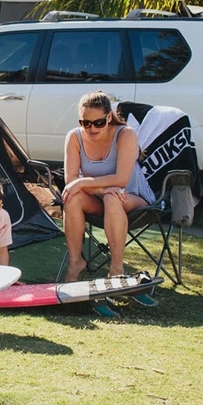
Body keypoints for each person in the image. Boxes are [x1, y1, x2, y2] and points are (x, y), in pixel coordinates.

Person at [61, 91, 155, 283]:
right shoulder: (74, 137)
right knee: (72, 197)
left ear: (109, 117)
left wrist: (83, 182)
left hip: (133, 197)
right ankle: (75, 262)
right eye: (85, 123)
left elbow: (121, 180)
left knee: (113, 198)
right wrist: (99, 189)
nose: (92, 128)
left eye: (98, 123)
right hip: (99, 197)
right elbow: (70, 181)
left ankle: (116, 268)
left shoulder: (125, 134)